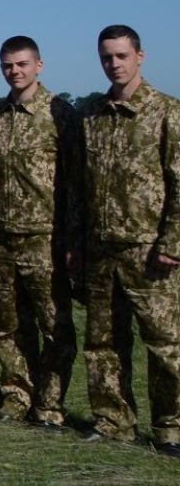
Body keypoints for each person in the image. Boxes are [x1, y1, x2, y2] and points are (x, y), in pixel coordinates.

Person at [80, 24, 180, 456]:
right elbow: (78, 187)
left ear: (140, 56)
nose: (114, 64)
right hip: (102, 250)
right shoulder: (91, 115)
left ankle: (170, 428)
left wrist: (172, 242)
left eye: (121, 56)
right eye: (107, 57)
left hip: (150, 252)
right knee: (103, 345)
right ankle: (112, 420)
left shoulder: (166, 112)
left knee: (164, 346)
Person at [0, 36, 81, 428]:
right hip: (2, 238)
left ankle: (50, 404)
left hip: (45, 239)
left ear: (39, 65)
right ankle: (16, 396)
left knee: (54, 327)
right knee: (9, 328)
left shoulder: (61, 115)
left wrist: (72, 240)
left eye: (22, 64)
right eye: (7, 65)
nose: (14, 71)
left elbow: (75, 185)